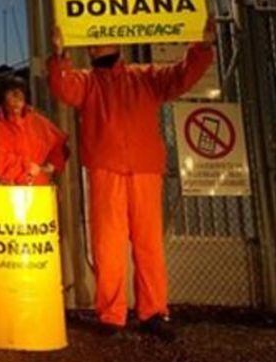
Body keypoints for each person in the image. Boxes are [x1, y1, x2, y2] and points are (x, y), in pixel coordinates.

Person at [48, 21, 215, 342]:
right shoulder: (86, 81)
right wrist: (59, 55)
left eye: (102, 40)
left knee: (148, 244)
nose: (94, 47)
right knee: (107, 245)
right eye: (92, 42)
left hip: (143, 170)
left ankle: (152, 311)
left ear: (118, 44)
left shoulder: (145, 76)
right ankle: (111, 314)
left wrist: (202, 48)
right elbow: (62, 87)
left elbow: (181, 76)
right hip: (106, 170)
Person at [0, 75, 68, 185]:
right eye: (11, 92)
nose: (17, 96)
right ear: (2, 97)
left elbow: (60, 144)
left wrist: (49, 167)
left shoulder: (38, 122)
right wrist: (27, 168)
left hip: (38, 193)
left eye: (21, 92)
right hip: (5, 194)